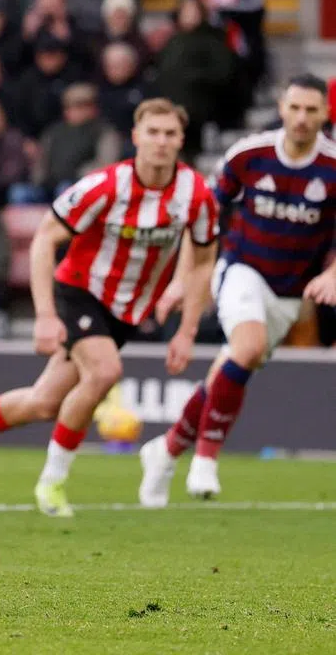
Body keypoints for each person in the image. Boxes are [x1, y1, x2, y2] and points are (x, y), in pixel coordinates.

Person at [0, 99, 219, 517]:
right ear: (136, 137)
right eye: (153, 132)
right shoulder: (104, 186)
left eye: (170, 134)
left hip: (127, 310)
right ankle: (51, 484)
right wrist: (44, 315)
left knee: (43, 402)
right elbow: (44, 239)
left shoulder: (196, 195)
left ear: (181, 140)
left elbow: (202, 259)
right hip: (80, 290)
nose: (161, 142)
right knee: (105, 372)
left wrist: (186, 329)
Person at [139, 75, 336, 506]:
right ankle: (205, 461)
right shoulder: (249, 155)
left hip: (290, 292)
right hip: (241, 268)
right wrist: (183, 281)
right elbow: (203, 223)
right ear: (281, 107)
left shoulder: (333, 167)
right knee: (248, 346)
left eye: (311, 110)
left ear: (325, 114)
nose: (302, 118)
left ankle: (166, 449)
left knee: (232, 369)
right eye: (295, 108)